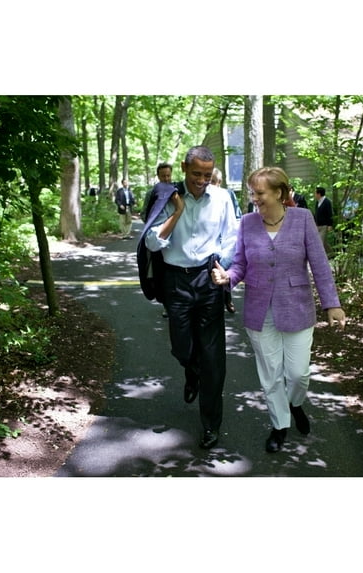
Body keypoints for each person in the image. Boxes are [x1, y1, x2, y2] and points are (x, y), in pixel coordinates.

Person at [211, 167, 346, 453]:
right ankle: (280, 424)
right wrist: (228, 278)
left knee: (298, 374)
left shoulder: (303, 219)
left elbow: (320, 265)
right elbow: (240, 264)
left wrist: (332, 304)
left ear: (279, 193)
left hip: (297, 307)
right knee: (270, 373)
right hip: (260, 311)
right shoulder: (247, 222)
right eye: (252, 192)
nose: (254, 198)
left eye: (259, 193)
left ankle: (295, 404)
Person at [144, 146, 238, 449]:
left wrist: (222, 262)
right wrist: (179, 211)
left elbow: (232, 237)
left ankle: (211, 424)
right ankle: (191, 370)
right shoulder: (166, 196)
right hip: (174, 281)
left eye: (207, 175)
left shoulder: (223, 198)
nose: (201, 180)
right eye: (196, 174)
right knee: (182, 347)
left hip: (208, 278)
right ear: (184, 168)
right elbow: (151, 242)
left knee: (214, 357)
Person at [211, 167, 241, 314]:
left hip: (227, 242)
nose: (210, 185)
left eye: (213, 182)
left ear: (219, 182)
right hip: (212, 244)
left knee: (225, 270)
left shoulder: (227, 195)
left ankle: (228, 299)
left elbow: (237, 216)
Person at [314, 186, 334, 256]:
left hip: (324, 225)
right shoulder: (317, 202)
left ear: (319, 194)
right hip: (318, 225)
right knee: (324, 242)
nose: (314, 194)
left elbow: (329, 214)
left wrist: (330, 225)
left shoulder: (327, 202)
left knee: (320, 242)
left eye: (315, 193)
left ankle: (320, 257)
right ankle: (332, 254)